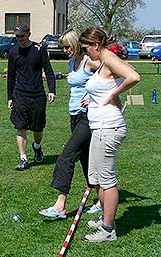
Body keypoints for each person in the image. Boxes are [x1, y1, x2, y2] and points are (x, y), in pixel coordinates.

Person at [79, 27, 140, 242]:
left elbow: (133, 76)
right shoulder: (104, 60)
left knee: (107, 180)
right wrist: (96, 99)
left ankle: (108, 230)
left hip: (109, 127)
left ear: (95, 45)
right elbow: (122, 72)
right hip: (99, 126)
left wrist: (114, 94)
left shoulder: (108, 58)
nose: (86, 54)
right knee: (96, 177)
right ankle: (105, 218)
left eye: (86, 49)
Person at [39, 28, 101, 219]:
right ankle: (101, 200)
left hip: (87, 117)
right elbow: (76, 82)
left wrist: (93, 99)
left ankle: (60, 205)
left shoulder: (91, 61)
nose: (64, 50)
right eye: (63, 47)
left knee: (66, 157)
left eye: (67, 46)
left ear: (75, 43)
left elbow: (112, 79)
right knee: (86, 160)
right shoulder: (73, 61)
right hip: (74, 116)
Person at [7, 24, 56, 171]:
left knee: (37, 128)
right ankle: (23, 158)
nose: (19, 39)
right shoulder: (13, 51)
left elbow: (48, 70)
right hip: (20, 95)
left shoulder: (39, 49)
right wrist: (10, 97)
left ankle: (37, 146)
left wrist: (52, 90)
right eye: (17, 36)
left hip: (37, 94)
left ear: (29, 34)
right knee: (20, 127)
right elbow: (11, 76)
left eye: (22, 36)